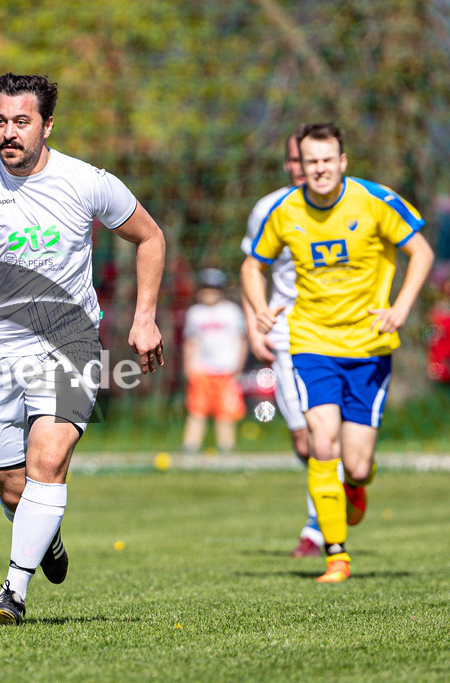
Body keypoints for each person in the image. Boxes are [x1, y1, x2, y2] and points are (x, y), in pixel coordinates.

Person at [0, 73, 165, 625]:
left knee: (49, 460)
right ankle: (45, 536)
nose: (8, 133)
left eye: (21, 122)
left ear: (47, 124)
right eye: (0, 121)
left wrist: (145, 316)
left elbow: (150, 237)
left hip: (70, 341)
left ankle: (12, 593)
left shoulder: (86, 182)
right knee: (14, 490)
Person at [241, 122, 434, 583]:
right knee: (320, 441)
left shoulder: (375, 200)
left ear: (342, 162)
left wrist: (401, 308)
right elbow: (252, 264)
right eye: (311, 162)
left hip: (369, 346)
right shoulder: (284, 211)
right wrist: (258, 308)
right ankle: (335, 554)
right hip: (311, 344)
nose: (321, 169)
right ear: (300, 167)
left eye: (328, 160)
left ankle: (355, 488)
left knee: (359, 465)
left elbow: (421, 252)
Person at [240, 131, 329, 558]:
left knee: (326, 433)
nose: (301, 167)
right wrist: (253, 324)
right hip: (287, 332)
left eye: (308, 159)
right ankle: (335, 484)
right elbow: (252, 269)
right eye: (294, 159)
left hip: (336, 332)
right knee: (304, 442)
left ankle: (317, 527)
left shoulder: (348, 203)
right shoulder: (269, 209)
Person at [181, 268, 247, 454]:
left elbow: (241, 340)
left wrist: (239, 367)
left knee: (226, 412)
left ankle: (226, 447)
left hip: (227, 370)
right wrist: (188, 367)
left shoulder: (232, 312)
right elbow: (190, 342)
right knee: (196, 410)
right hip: (201, 369)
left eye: (213, 289)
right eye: (205, 289)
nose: (209, 293)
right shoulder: (195, 313)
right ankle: (190, 446)